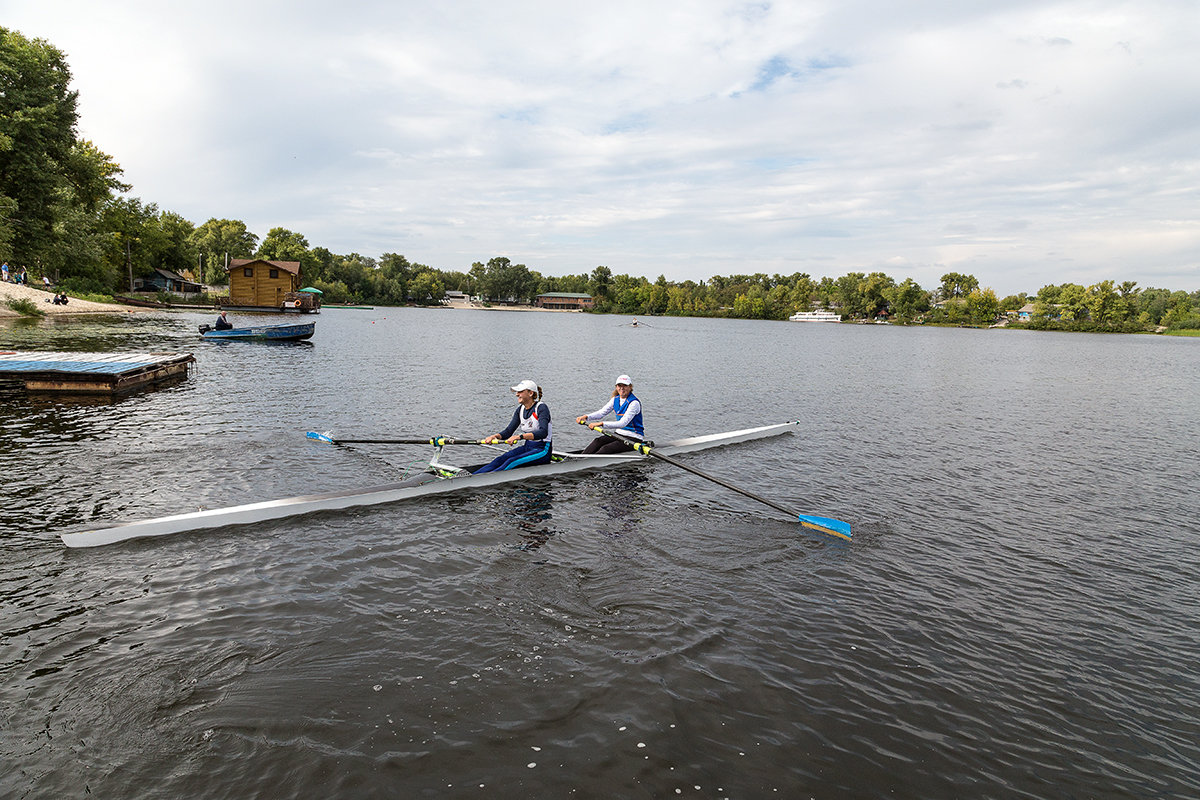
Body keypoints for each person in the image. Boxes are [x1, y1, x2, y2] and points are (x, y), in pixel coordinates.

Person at [473, 380, 554, 474]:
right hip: (527, 447)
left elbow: (543, 433)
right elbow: (508, 432)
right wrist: (494, 436)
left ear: (531, 393)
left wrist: (520, 437)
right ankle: (470, 477)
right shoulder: (520, 410)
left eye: (520, 392)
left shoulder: (541, 408)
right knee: (500, 459)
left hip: (542, 450)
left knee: (511, 461)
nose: (517, 394)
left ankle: (482, 480)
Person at [575, 374, 644, 454]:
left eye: (625, 385)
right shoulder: (615, 399)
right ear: (616, 387)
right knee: (598, 441)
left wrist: (600, 424)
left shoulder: (634, 403)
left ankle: (586, 463)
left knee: (606, 448)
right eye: (619, 385)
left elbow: (622, 423)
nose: (622, 388)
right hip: (619, 434)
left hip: (633, 438)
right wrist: (586, 417)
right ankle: (580, 459)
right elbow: (601, 413)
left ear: (630, 387)